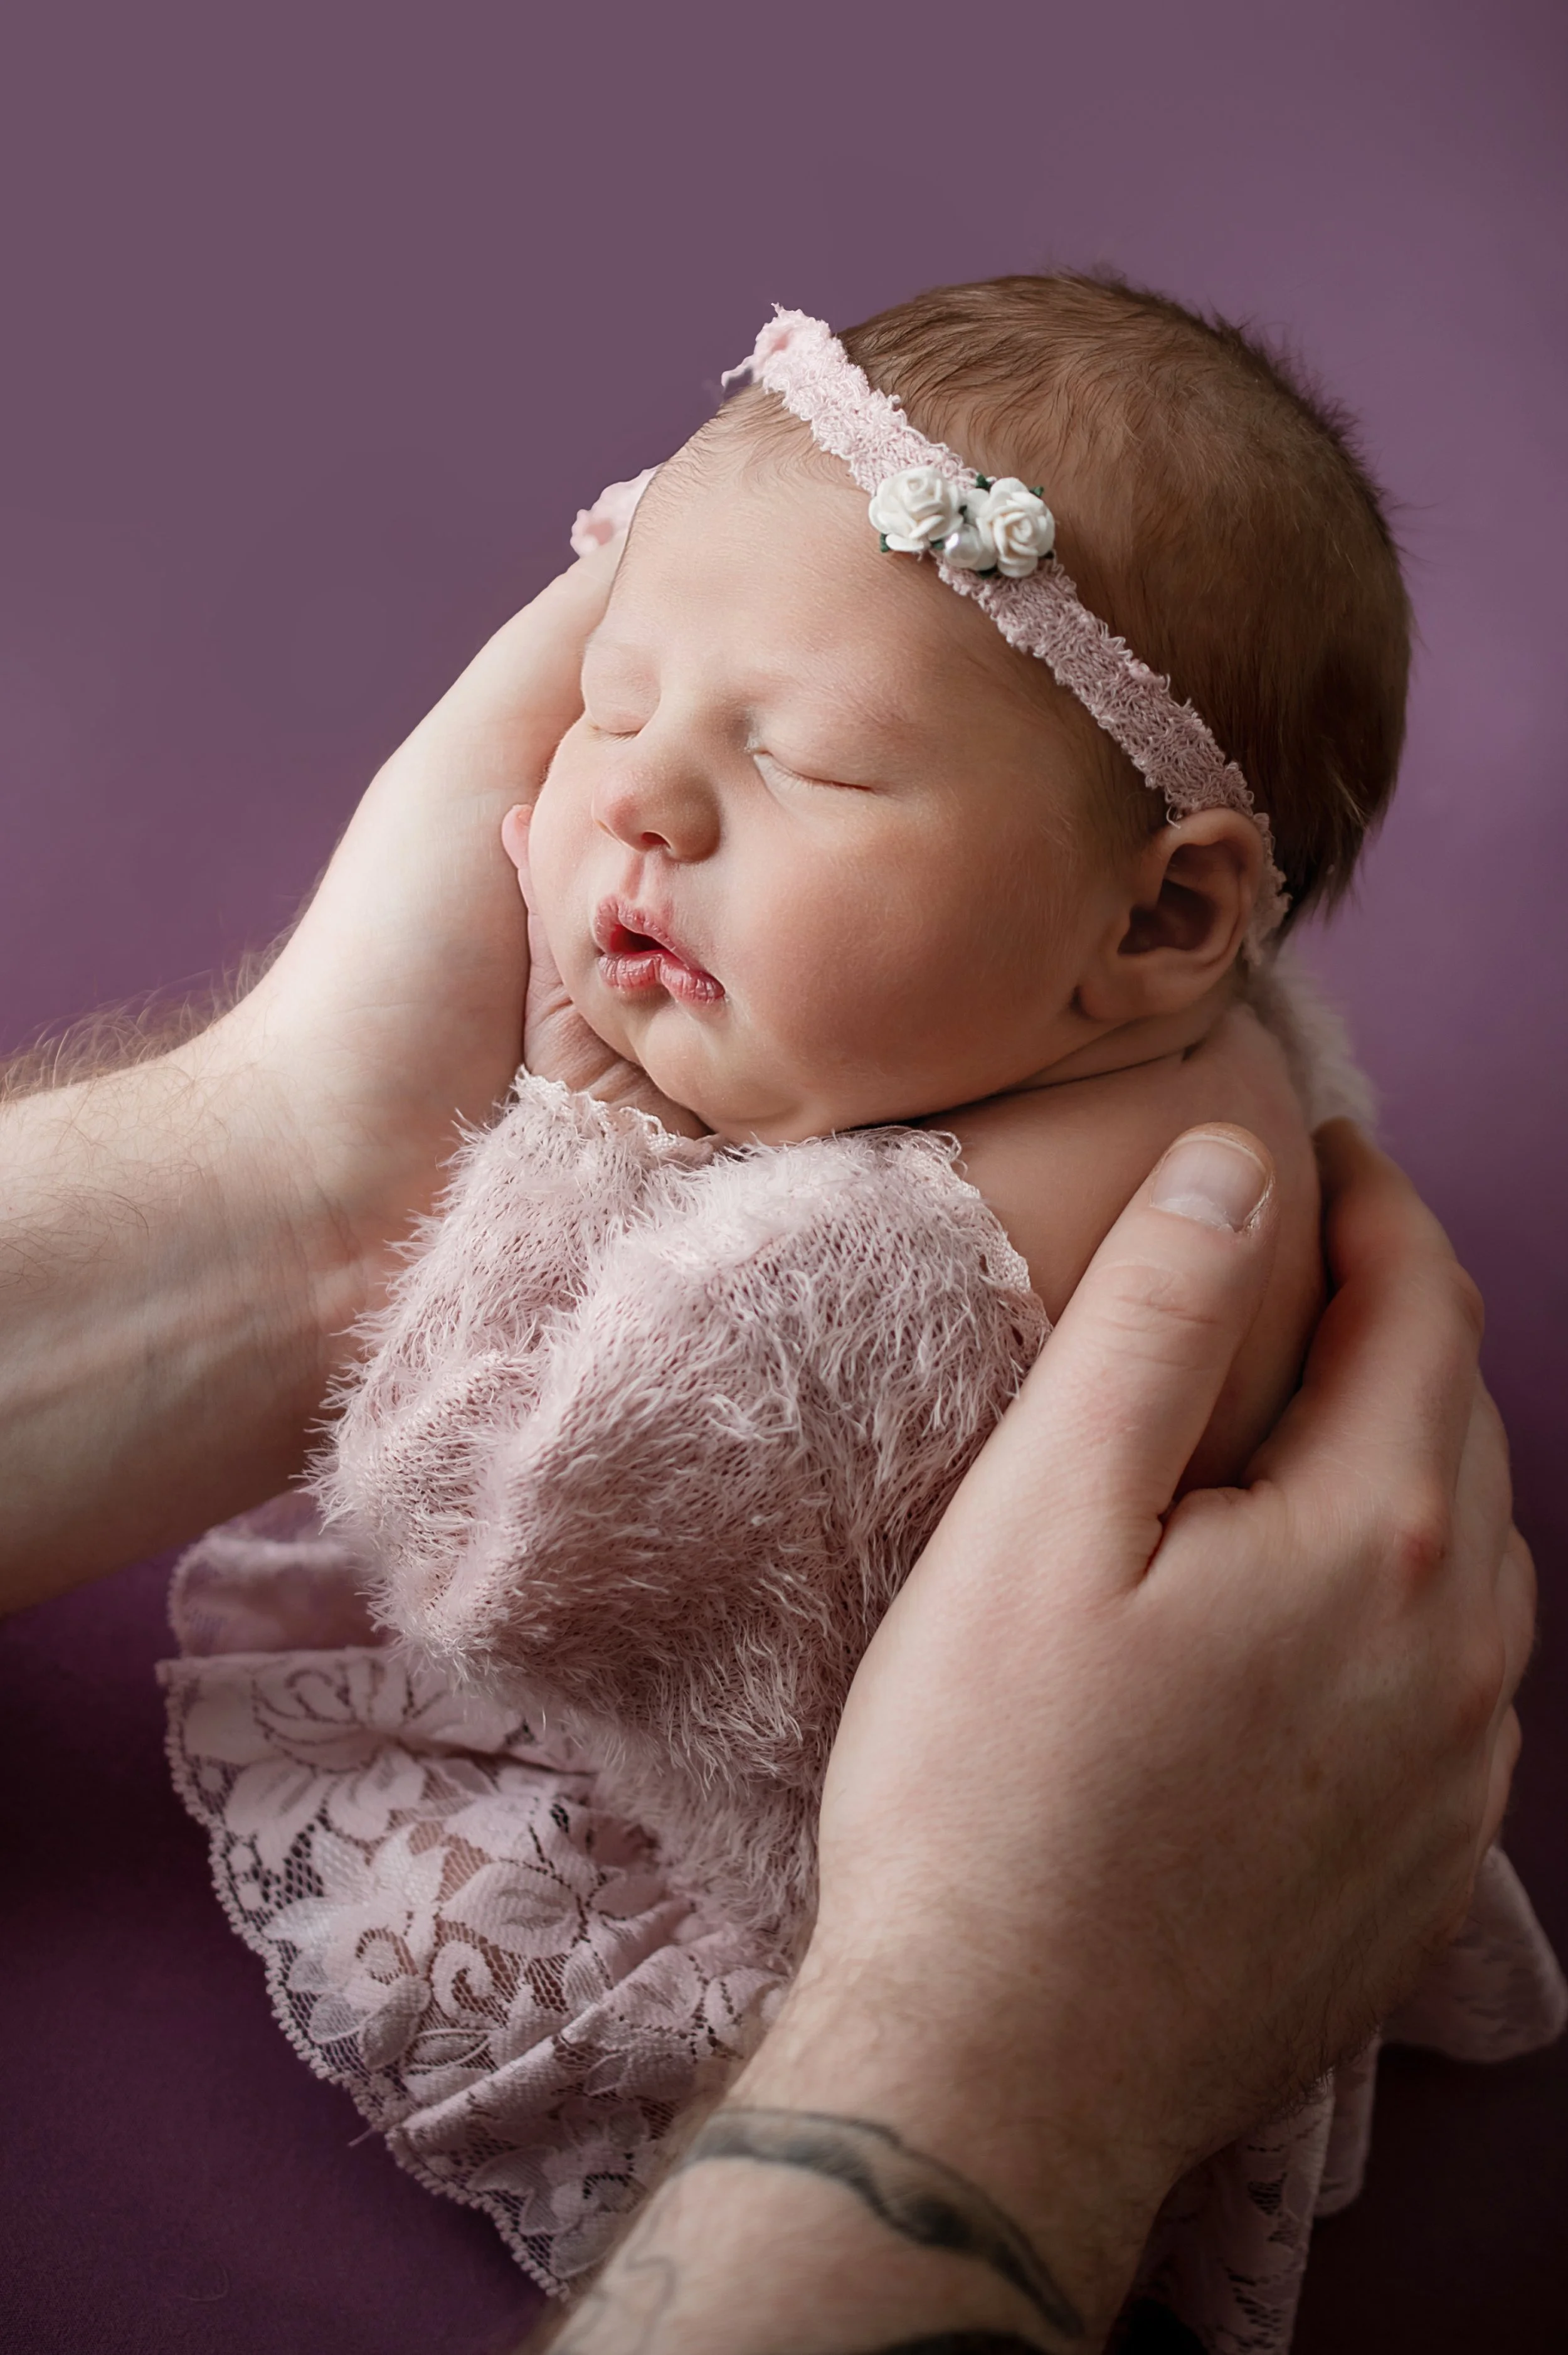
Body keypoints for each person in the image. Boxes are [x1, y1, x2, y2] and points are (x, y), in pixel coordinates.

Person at [0, 302, 1533, 2347]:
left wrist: (571, 1148)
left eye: (794, 755)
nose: (639, 810)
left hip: (824, 1909)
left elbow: (493, 1544)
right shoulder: (1183, 1057)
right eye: (613, 705)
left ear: (1165, 914)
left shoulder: (863, 1288)